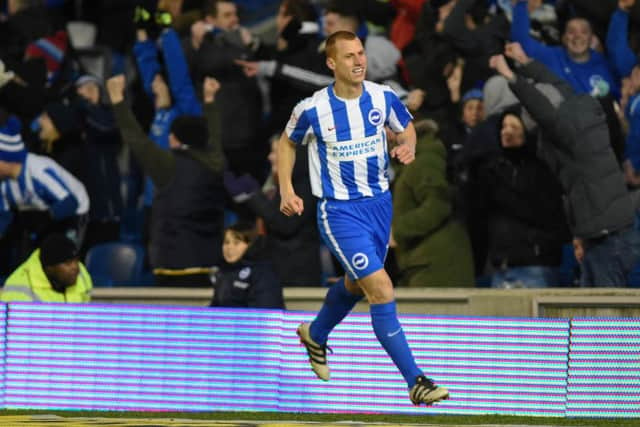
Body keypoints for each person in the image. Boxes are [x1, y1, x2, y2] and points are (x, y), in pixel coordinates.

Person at [278, 31, 449, 405]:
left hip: (379, 206)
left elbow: (406, 128)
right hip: (340, 211)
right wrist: (287, 189)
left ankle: (316, 334)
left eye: (361, 54)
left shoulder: (382, 96)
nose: (358, 61)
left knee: (357, 285)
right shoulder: (313, 108)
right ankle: (415, 381)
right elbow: (288, 142)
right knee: (381, 288)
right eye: (349, 56)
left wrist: (408, 146)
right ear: (332, 63)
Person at [489, 43, 640, 286]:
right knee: (600, 317)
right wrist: (526, 61)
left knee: (609, 320)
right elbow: (558, 87)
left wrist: (510, 75)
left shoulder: (565, 130)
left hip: (608, 240)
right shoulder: (580, 113)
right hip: (607, 233)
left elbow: (541, 108)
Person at [107, 74, 226, 287]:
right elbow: (214, 137)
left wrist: (117, 100)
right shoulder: (216, 162)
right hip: (209, 262)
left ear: (176, 139)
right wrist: (210, 101)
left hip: (173, 263)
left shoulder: (168, 164)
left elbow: (136, 139)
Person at [391, 119, 474, 287]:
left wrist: (397, 231)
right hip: (420, 264)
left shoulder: (425, 160)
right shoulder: (410, 164)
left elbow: (438, 205)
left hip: (438, 268)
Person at [0, 111, 89, 262]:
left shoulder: (37, 170)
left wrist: (44, 219)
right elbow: (4, 215)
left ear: (7, 160)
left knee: (61, 260)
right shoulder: (3, 182)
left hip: (71, 213)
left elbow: (70, 203)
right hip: (40, 213)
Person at [209, 222, 285, 309]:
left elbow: (267, 310)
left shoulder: (263, 272)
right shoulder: (223, 272)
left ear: (250, 244)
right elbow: (215, 308)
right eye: (226, 242)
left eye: (236, 243)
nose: (229, 247)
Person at [1, 232, 92, 302]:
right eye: (68, 263)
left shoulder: (81, 274)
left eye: (76, 260)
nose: (75, 267)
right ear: (49, 268)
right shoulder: (18, 290)